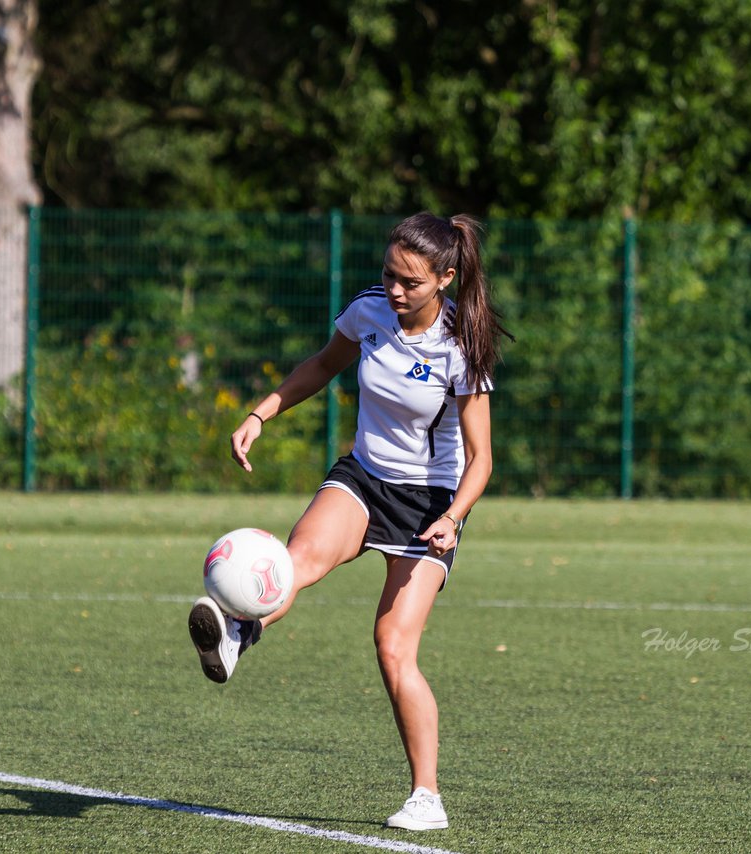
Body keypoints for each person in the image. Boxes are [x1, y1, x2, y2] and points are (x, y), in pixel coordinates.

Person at [188, 211, 510, 832]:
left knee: (393, 648)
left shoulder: (461, 346)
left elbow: (482, 458)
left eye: (410, 282)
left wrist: (453, 517)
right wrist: (261, 414)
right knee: (293, 563)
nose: (394, 290)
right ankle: (235, 630)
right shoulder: (369, 311)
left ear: (445, 278)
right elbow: (323, 363)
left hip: (429, 504)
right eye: (389, 275)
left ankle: (427, 797)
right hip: (364, 477)